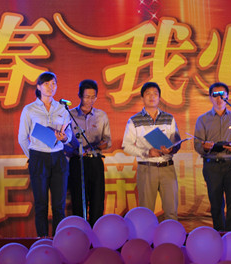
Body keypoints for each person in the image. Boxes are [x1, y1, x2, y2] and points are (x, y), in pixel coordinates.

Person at [18, 72, 72, 237]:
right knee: (41, 204)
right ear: (39, 87)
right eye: (47, 84)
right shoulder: (29, 109)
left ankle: (59, 240)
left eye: (53, 83)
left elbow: (69, 134)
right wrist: (33, 157)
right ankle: (42, 240)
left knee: (59, 205)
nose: (51, 87)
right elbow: (22, 138)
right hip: (38, 157)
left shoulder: (62, 108)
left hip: (58, 157)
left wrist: (64, 138)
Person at [122, 82, 182, 220]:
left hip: (167, 167)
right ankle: (146, 235)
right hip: (147, 168)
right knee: (146, 213)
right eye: (148, 94)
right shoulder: (134, 120)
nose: (152, 97)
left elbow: (177, 142)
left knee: (171, 211)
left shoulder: (169, 118)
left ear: (159, 97)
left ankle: (171, 234)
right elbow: (126, 145)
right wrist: (147, 152)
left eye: (155, 94)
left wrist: (171, 149)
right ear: (142, 98)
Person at [193, 82, 231, 232]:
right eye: (215, 95)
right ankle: (219, 234)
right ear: (210, 97)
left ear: (227, 96)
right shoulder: (203, 119)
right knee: (216, 204)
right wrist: (205, 147)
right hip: (212, 165)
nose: (219, 98)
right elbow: (197, 144)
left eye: (222, 94)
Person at [64, 79, 111, 226]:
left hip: (95, 161)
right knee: (79, 200)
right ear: (79, 95)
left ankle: (96, 232)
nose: (90, 100)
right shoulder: (69, 115)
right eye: (87, 97)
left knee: (97, 200)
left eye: (93, 97)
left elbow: (108, 141)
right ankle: (81, 232)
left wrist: (101, 144)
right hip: (77, 162)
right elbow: (64, 142)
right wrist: (75, 151)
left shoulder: (101, 115)